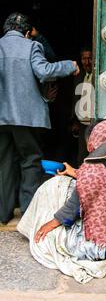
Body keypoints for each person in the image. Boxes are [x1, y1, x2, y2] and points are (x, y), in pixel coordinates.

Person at [17, 120, 106, 282]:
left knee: (55, 185)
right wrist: (75, 172)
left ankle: (29, 226)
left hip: (94, 245)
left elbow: (71, 210)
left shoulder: (91, 171)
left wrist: (49, 224)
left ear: (92, 142)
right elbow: (104, 181)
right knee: (70, 184)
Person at [0, 12, 80, 224]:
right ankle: (27, 212)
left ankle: (3, 213)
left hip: (1, 118)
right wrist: (69, 66)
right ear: (27, 33)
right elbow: (44, 72)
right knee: (30, 161)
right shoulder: (32, 46)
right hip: (25, 117)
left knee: (4, 163)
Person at [72, 48, 93, 165]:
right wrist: (74, 121)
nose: (87, 62)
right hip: (82, 124)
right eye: (84, 59)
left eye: (90, 58)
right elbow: (75, 99)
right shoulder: (80, 76)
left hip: (96, 123)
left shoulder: (99, 76)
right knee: (82, 156)